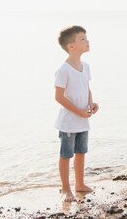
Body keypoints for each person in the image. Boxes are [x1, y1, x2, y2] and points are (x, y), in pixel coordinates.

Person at [54, 25, 99, 202]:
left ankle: (79, 184)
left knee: (81, 152)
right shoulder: (63, 70)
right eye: (82, 39)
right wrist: (78, 111)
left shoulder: (85, 66)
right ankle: (66, 189)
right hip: (69, 122)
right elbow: (58, 97)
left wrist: (91, 103)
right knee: (66, 155)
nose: (87, 41)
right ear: (71, 46)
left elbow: (86, 88)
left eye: (86, 38)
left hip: (82, 120)